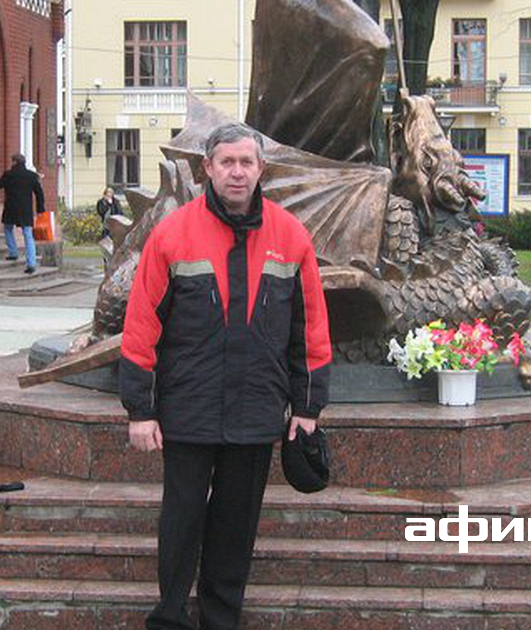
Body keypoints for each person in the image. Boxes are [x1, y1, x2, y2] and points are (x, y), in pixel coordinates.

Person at [119, 123, 332, 630]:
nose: (237, 172)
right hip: (188, 411)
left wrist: (307, 407)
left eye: (246, 163)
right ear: (208, 169)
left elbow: (312, 329)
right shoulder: (171, 234)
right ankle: (169, 616)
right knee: (182, 521)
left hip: (256, 411)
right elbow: (141, 325)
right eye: (227, 162)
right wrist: (140, 410)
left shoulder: (291, 236)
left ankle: (220, 619)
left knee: (235, 528)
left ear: (261, 170)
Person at [0, 153, 45, 274]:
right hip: (25, 209)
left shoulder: (9, 175)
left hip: (11, 207)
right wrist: (40, 209)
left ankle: (13, 252)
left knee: (7, 229)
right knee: (28, 235)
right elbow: (39, 193)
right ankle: (31, 263)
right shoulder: (31, 176)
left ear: (14, 162)